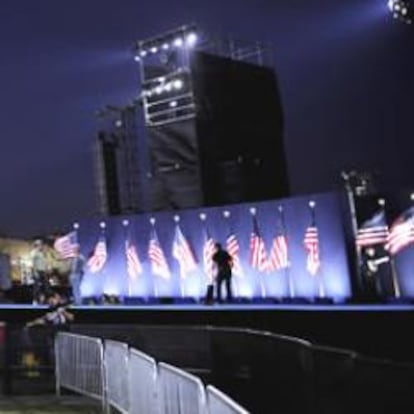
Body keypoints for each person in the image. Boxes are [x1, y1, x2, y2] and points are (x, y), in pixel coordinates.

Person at [30, 239, 50, 304]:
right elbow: (33, 263)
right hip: (37, 271)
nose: (42, 246)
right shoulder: (34, 252)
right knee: (37, 287)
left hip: (43, 271)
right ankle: (35, 300)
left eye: (42, 244)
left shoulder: (42, 253)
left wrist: (47, 269)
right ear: (37, 245)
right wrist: (35, 272)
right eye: (40, 244)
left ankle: (45, 300)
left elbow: (44, 262)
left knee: (46, 286)